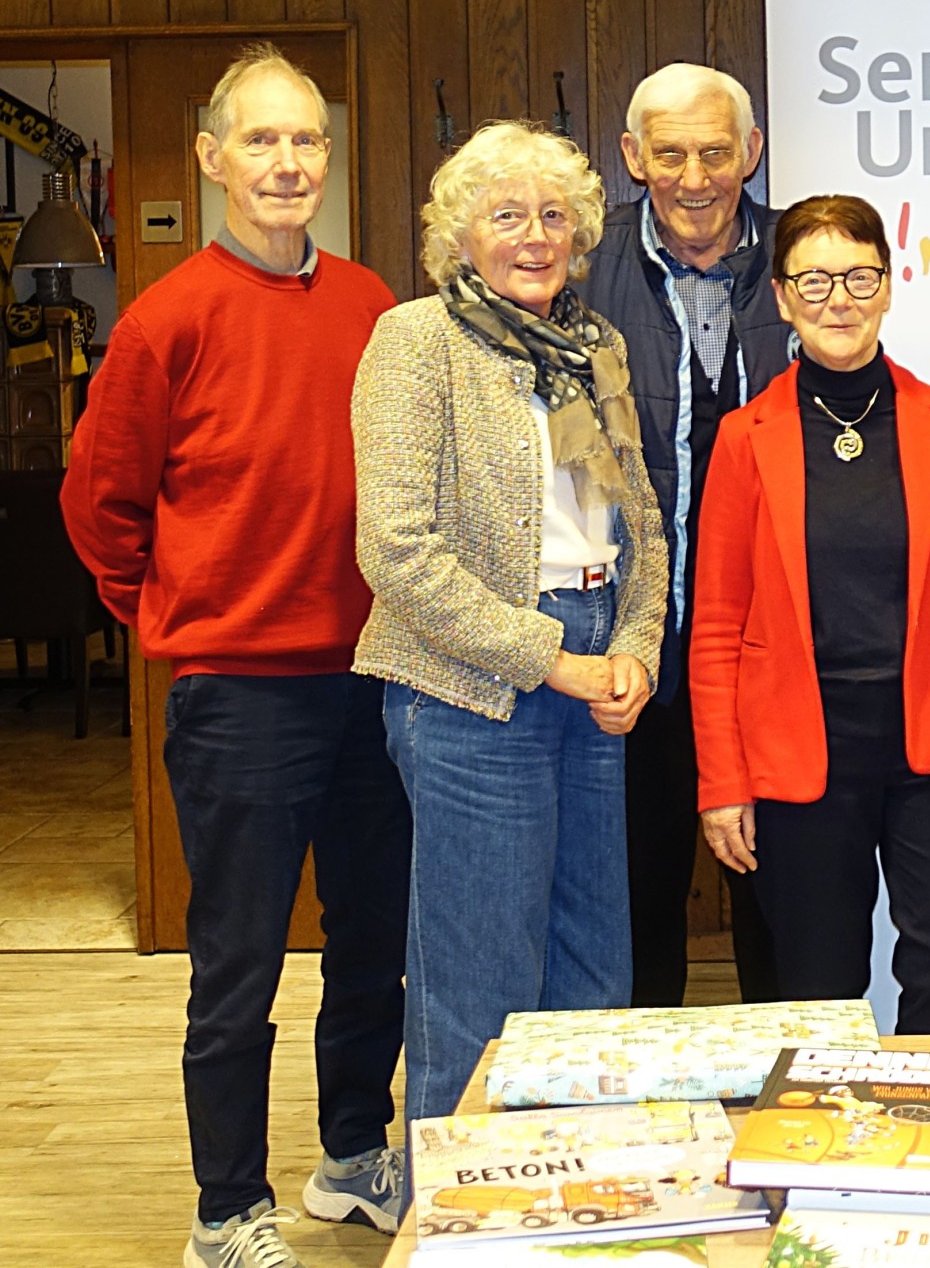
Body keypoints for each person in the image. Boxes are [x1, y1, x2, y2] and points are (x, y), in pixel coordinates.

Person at [60, 43, 411, 1268]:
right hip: (238, 694)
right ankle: (226, 1207)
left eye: (307, 138)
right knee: (240, 960)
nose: (287, 161)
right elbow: (99, 502)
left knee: (374, 941)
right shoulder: (166, 318)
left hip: (374, 680)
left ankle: (353, 1153)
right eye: (261, 139)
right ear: (213, 159)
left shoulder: (372, 304)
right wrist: (172, 607)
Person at [351, 122, 668, 1123]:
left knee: (592, 964)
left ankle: (580, 1187)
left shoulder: (595, 346)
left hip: (596, 669)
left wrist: (636, 646)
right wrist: (551, 658)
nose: (535, 236)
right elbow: (397, 550)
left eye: (554, 216)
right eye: (506, 215)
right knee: (479, 976)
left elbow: (640, 517)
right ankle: (451, 1197)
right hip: (467, 687)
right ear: (459, 235)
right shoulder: (416, 341)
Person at [691, 194, 930, 1034]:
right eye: (813, 282)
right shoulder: (744, 438)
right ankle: (831, 1124)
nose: (838, 301)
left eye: (858, 277)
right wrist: (722, 782)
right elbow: (715, 626)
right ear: (782, 298)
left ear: (887, 287)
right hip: (800, 752)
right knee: (816, 985)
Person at [582, 63, 784, 1006]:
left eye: (715, 153)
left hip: (771, 648)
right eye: (670, 155)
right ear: (633, 157)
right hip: (636, 641)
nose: (694, 179)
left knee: (779, 900)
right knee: (635, 898)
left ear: (752, 152)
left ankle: (791, 1084)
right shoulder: (581, 271)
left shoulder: (802, 260)